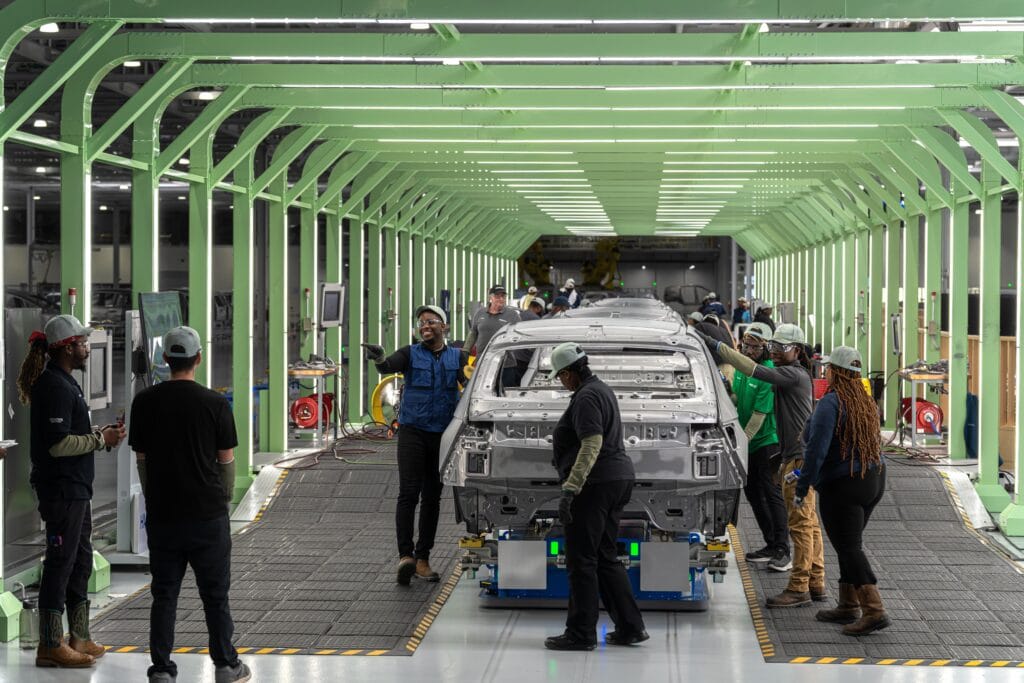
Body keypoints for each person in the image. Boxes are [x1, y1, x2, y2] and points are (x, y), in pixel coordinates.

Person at [129, 326, 250, 683]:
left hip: (164, 515)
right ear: (199, 358)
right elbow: (226, 460)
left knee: (164, 594)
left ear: (165, 358)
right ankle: (226, 665)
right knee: (215, 595)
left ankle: (162, 670)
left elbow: (142, 459)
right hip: (207, 515)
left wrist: (154, 498)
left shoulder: (145, 402)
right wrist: (223, 500)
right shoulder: (215, 403)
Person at [18, 314, 126, 668]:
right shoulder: (54, 386)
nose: (87, 349)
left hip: (76, 488)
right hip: (61, 491)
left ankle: (79, 635)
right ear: (66, 348)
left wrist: (98, 434)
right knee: (60, 562)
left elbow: (69, 434)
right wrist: (99, 440)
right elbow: (58, 445)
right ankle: (50, 643)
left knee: (80, 560)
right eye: (82, 344)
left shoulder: (66, 382)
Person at [693, 323, 824, 607]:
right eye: (773, 346)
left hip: (797, 458)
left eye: (780, 347)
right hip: (793, 456)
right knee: (809, 522)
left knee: (800, 524)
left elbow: (752, 370)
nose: (774, 352)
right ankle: (816, 582)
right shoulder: (791, 373)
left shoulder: (791, 374)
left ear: (797, 350)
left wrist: (715, 344)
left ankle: (799, 587)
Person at [544, 343, 646, 651]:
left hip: (594, 484)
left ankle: (580, 633)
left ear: (569, 373)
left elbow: (591, 444)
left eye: (560, 376)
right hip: (617, 478)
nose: (561, 382)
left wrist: (570, 488)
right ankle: (630, 627)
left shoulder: (587, 396)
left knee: (582, 560)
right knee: (604, 557)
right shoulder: (601, 389)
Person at [364, 305, 470, 585]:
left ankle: (423, 559)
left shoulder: (457, 357)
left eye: (431, 321)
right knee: (408, 493)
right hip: (413, 432)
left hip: (442, 435)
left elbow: (470, 385)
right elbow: (388, 366)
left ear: (444, 327)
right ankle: (405, 557)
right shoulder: (410, 354)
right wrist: (379, 358)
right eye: (421, 322)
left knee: (432, 497)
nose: (425, 326)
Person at [795, 346, 889, 636]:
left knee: (849, 548)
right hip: (873, 479)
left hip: (844, 485)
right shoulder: (866, 402)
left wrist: (803, 484)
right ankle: (848, 604)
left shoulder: (831, 403)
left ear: (835, 371)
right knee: (849, 544)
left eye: (828, 368)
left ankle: (874, 610)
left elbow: (816, 449)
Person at [732, 324, 789, 571]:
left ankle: (783, 550)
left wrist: (740, 443)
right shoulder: (742, 367)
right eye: (746, 345)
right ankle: (770, 543)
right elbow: (736, 399)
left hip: (766, 442)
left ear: (766, 348)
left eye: (755, 347)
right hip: (748, 443)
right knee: (752, 493)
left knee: (771, 493)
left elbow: (759, 415)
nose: (749, 350)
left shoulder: (768, 372)